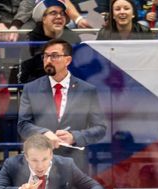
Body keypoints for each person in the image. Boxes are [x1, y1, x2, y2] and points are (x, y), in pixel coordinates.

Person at [17, 38, 106, 173]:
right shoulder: (31, 89)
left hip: (75, 164)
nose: (48, 60)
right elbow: (23, 125)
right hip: (39, 164)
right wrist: (43, 133)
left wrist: (75, 137)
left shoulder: (87, 90)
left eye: (54, 56)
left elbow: (100, 128)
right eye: (45, 56)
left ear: (68, 60)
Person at [19, 0, 81, 84]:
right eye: (53, 13)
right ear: (43, 18)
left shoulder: (74, 39)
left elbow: (79, 70)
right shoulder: (30, 40)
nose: (59, 16)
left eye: (62, 13)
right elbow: (25, 77)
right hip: (40, 90)